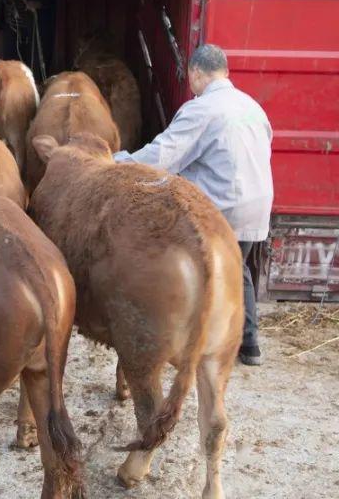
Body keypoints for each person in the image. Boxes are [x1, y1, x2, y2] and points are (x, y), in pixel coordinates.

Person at [114, 44, 272, 366]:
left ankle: (197, 342)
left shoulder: (202, 108)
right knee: (236, 267)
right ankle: (250, 345)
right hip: (257, 201)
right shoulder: (252, 106)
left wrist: (121, 163)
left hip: (222, 205)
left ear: (196, 73)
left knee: (196, 268)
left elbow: (165, 154)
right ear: (225, 72)